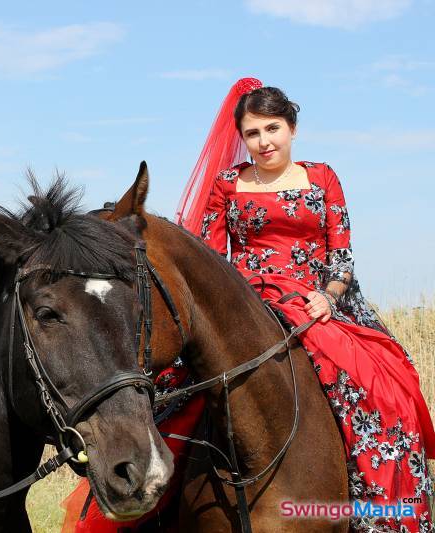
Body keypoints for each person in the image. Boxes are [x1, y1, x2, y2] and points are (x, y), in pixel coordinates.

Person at [181, 79, 434, 532]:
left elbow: (341, 257)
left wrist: (328, 297)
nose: (264, 142)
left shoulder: (322, 177)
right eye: (253, 133)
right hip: (249, 299)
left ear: (292, 128)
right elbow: (210, 260)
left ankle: (375, 512)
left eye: (272, 128)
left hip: (317, 299)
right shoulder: (227, 183)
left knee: (384, 391)